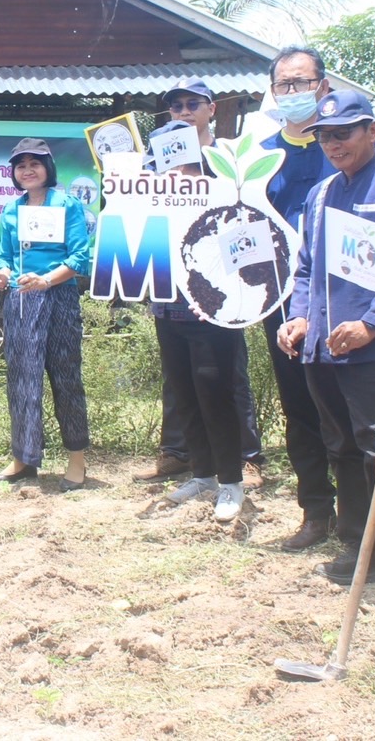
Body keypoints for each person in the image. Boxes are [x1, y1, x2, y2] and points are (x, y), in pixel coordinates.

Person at [277, 89, 375, 620]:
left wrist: (374, 324)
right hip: (322, 347)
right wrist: (298, 318)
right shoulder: (320, 194)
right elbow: (305, 268)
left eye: (345, 131)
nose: (334, 142)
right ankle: (359, 544)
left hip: (373, 349)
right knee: (341, 445)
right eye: (325, 134)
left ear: (372, 131)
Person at [133, 77, 267, 488]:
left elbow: (251, 226)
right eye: (176, 107)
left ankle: (245, 460)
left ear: (212, 108)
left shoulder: (231, 163)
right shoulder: (150, 168)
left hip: (219, 293)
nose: (185, 112)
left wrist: (242, 286)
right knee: (179, 379)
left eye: (194, 104)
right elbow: (132, 221)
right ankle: (185, 457)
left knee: (227, 377)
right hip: (168, 292)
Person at [257, 46, 342, 551]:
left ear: (323, 87)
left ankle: (361, 512)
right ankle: (316, 510)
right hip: (284, 301)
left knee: (349, 409)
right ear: (273, 92)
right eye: (285, 85)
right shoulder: (260, 157)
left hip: (346, 300)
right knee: (299, 408)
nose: (294, 92)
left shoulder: (342, 146)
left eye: (303, 83)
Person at [143, 121, 248, 522]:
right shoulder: (151, 201)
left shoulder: (223, 194)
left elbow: (243, 253)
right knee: (183, 393)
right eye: (164, 166)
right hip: (167, 310)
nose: (173, 174)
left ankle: (231, 483)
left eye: (181, 163)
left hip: (213, 313)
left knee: (215, 394)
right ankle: (202, 475)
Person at [0, 138, 92, 491]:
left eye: (35, 163)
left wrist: (45, 280)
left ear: (48, 168)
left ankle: (76, 461)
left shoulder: (68, 205)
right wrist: (1, 274)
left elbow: (79, 259)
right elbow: (5, 257)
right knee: (22, 381)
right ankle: (24, 458)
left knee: (65, 378)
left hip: (58, 297)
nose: (27, 170)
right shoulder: (11, 210)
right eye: (20, 165)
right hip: (20, 301)